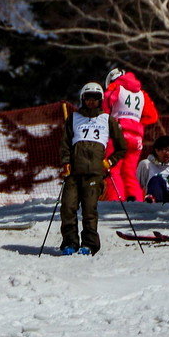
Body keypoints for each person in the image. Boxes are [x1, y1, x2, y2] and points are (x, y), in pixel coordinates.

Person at [58, 81, 127, 255]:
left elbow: (122, 147)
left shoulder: (107, 119)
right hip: (74, 172)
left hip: (94, 174)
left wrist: (109, 162)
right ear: (83, 99)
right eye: (88, 98)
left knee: (89, 210)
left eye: (95, 98)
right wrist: (66, 161)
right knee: (68, 207)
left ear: (100, 100)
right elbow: (65, 143)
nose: (91, 101)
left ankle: (89, 244)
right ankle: (69, 243)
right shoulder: (73, 118)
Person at [103, 68, 158, 202]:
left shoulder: (115, 87)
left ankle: (117, 201)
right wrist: (136, 124)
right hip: (136, 137)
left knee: (113, 170)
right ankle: (136, 200)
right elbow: (153, 116)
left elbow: (105, 106)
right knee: (129, 173)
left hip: (118, 133)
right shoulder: (142, 93)